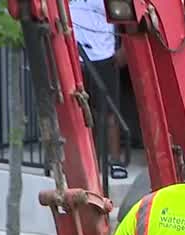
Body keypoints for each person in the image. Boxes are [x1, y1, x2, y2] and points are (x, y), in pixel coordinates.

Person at [70, 0, 127, 179]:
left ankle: (115, 160)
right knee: (82, 112)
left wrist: (125, 50)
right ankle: (90, 162)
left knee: (110, 113)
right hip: (74, 54)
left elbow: (129, 18)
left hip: (103, 54)